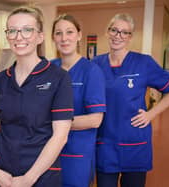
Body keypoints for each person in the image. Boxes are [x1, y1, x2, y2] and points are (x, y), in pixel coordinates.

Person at [0, 6, 74, 187]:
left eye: (27, 30)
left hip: (40, 175)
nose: (18, 37)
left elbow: (60, 136)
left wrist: (28, 178)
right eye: (13, 31)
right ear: (7, 36)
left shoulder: (58, 78)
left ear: (40, 36)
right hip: (1, 173)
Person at [92, 13, 169, 187]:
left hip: (135, 142)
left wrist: (151, 114)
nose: (117, 36)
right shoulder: (95, 64)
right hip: (105, 143)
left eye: (124, 32)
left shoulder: (144, 63)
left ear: (130, 37)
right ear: (107, 32)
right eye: (114, 30)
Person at [51, 14, 106, 187]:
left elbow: (95, 119)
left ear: (79, 35)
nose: (64, 38)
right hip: (47, 151)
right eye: (58, 33)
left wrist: (54, 123)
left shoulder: (91, 71)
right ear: (53, 37)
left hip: (76, 153)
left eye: (69, 32)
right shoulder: (48, 69)